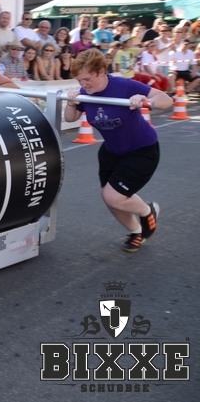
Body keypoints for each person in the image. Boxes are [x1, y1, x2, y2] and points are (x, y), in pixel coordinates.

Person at [64, 49, 171, 253]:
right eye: (79, 80)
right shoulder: (85, 93)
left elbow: (167, 100)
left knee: (113, 196)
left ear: (101, 71)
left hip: (141, 150)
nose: (83, 85)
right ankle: (136, 232)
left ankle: (148, 211)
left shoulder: (124, 86)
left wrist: (146, 100)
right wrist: (71, 102)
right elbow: (70, 118)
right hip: (111, 152)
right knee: (112, 200)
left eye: (87, 79)